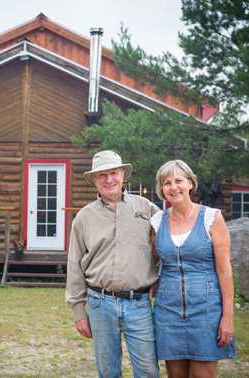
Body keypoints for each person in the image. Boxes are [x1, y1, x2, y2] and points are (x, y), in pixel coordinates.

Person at [66, 150, 160, 378]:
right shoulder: (84, 218)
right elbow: (74, 265)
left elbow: (169, 243)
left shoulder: (146, 209)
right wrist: (79, 311)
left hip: (138, 303)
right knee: (108, 371)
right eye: (102, 175)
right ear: (94, 180)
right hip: (100, 303)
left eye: (113, 173)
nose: (109, 180)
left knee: (148, 370)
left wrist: (161, 278)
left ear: (123, 175)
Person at [150, 160, 236, 378]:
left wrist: (228, 317)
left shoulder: (211, 218)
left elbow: (225, 271)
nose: (173, 187)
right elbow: (149, 262)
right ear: (161, 190)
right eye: (166, 183)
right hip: (168, 311)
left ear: (190, 183)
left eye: (178, 180)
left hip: (206, 311)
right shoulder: (158, 221)